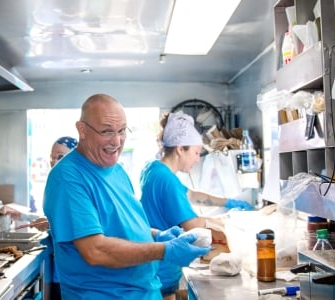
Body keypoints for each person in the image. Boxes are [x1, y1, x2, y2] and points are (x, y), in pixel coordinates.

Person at [43, 94, 211, 300]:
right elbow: (95, 250)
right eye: (106, 131)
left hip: (145, 292)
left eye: (122, 130)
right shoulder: (68, 178)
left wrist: (157, 235)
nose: (116, 141)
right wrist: (164, 250)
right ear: (82, 130)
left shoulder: (116, 169)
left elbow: (119, 225)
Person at [139, 111, 253, 300]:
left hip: (158, 265)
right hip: (163, 268)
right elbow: (193, 225)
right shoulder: (166, 179)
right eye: (196, 152)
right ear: (179, 149)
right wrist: (229, 221)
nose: (198, 159)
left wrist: (227, 201)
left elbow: (191, 194)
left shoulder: (154, 168)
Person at [45, 136, 78, 300]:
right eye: (52, 157)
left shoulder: (72, 185)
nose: (53, 162)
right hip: (62, 268)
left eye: (60, 156)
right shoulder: (59, 183)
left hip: (71, 272)